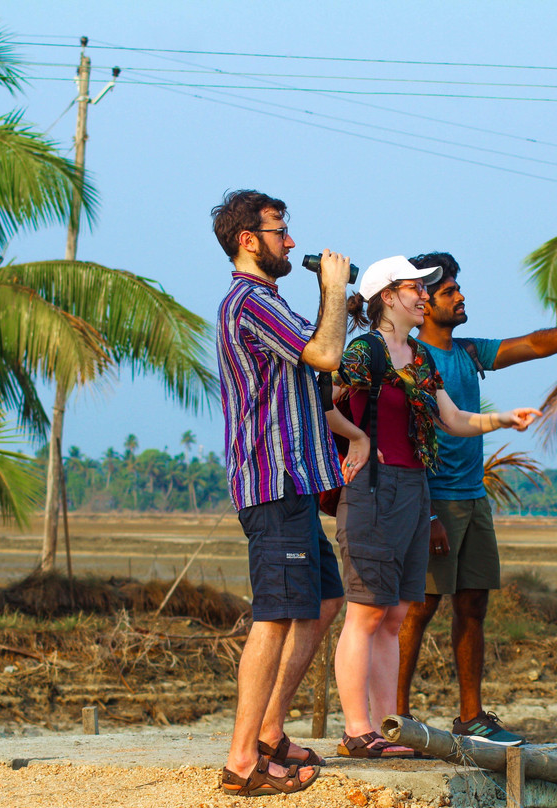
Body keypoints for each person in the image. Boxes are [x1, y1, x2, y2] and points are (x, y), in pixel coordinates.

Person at [396, 251, 557, 745]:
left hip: (473, 497)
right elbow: (406, 440)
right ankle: (395, 719)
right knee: (418, 609)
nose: (461, 297)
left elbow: (534, 344)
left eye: (458, 288)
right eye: (449, 292)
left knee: (473, 604)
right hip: (433, 500)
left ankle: (471, 717)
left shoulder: (469, 352)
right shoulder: (410, 358)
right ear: (424, 302)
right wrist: (428, 513)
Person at [325, 255, 541, 758]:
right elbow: (322, 400)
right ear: (387, 297)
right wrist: (357, 437)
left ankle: (389, 728)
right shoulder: (364, 350)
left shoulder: (419, 356)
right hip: (373, 489)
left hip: (414, 487)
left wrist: (503, 419)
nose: (424, 295)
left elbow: (453, 419)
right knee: (365, 613)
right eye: (415, 288)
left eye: (425, 289)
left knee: (395, 615)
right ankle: (357, 730)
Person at [213, 190, 351, 797]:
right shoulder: (249, 303)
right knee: (273, 617)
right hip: (272, 482)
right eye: (280, 231)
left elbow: (319, 363)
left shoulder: (269, 303)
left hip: (295, 483)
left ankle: (269, 732)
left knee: (324, 600)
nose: (290, 241)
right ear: (249, 240)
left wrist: (334, 304)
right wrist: (335, 289)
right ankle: (242, 761)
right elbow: (325, 352)